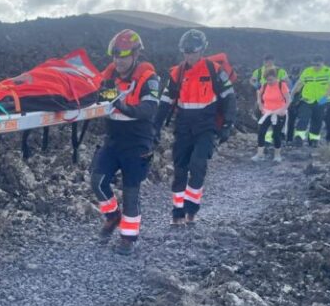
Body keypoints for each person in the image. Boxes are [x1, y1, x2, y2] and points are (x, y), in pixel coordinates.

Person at [154, 29, 237, 225]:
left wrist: (227, 124)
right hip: (183, 127)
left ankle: (192, 209)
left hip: (206, 127)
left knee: (198, 166)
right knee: (180, 169)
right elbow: (165, 101)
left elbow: (230, 98)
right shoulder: (177, 73)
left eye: (192, 51)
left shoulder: (214, 70)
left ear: (201, 50)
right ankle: (177, 212)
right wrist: (155, 126)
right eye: (185, 52)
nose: (189, 55)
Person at [91, 29, 160, 255]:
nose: (117, 61)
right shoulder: (108, 76)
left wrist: (120, 105)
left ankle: (128, 239)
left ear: (135, 55)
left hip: (137, 142)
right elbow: (95, 96)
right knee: (97, 181)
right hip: (113, 139)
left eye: (122, 56)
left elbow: (149, 109)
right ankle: (112, 217)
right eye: (115, 56)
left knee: (131, 192)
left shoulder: (149, 79)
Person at [291, 54, 330, 147]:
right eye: (314, 65)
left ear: (323, 63)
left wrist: (325, 98)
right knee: (303, 119)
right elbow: (299, 83)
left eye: (318, 65)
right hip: (307, 100)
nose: (315, 67)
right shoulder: (307, 71)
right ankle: (298, 139)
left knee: (317, 121)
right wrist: (291, 95)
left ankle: (313, 140)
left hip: (322, 101)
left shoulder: (329, 71)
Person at [252, 67, 290, 162]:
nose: (269, 82)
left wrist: (283, 109)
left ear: (275, 77)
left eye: (271, 80)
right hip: (267, 112)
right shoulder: (264, 86)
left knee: (276, 134)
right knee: (261, 132)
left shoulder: (282, 85)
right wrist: (260, 105)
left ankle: (277, 155)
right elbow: (259, 95)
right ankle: (260, 154)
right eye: (267, 80)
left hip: (279, 113)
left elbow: (288, 100)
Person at [285, 65, 302, 144]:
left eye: (296, 73)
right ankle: (283, 136)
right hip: (286, 102)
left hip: (296, 103)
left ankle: (290, 139)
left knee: (292, 121)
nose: (294, 74)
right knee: (284, 121)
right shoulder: (286, 79)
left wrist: (297, 101)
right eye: (293, 72)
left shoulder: (302, 80)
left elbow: (302, 92)